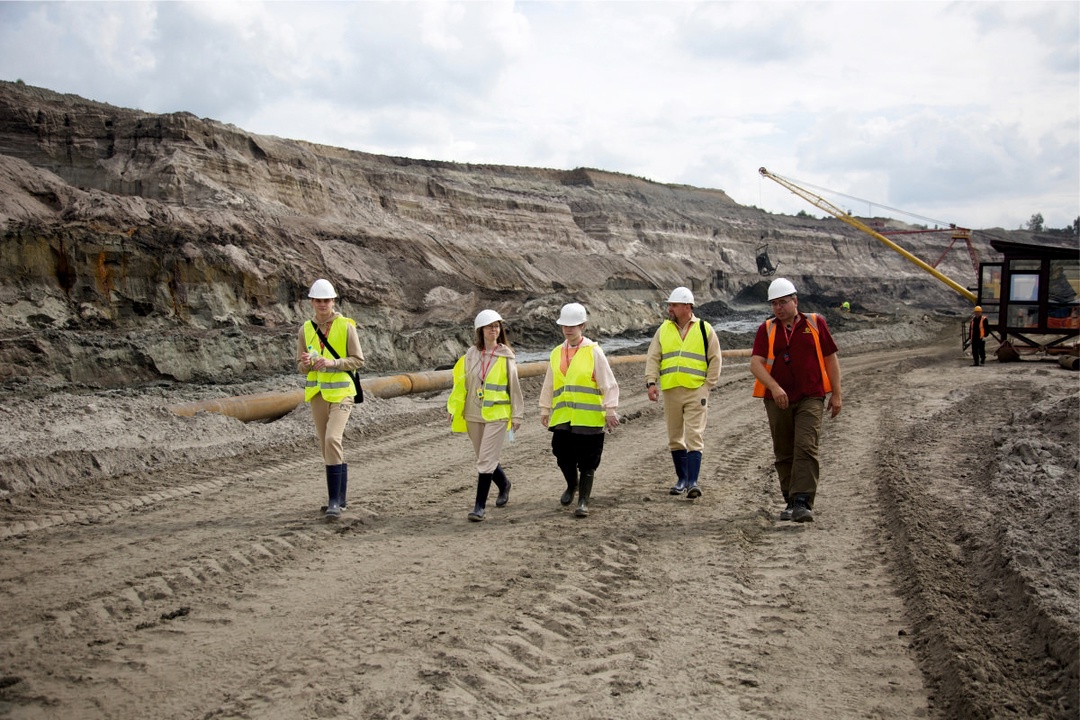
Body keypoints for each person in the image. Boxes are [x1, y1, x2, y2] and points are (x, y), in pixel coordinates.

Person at [750, 278, 842, 523]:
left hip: (811, 396)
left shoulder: (815, 323)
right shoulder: (767, 329)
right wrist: (774, 387)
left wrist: (837, 393)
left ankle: (803, 501)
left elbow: (831, 358)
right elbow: (755, 364)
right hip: (776, 400)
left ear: (795, 301)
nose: (778, 308)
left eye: (783, 302)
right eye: (774, 304)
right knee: (784, 451)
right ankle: (790, 500)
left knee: (805, 446)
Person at [538, 303, 620, 517]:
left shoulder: (594, 352)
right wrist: (544, 408)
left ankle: (583, 500)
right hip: (563, 415)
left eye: (573, 325)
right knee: (561, 452)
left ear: (582, 325)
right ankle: (571, 484)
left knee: (588, 459)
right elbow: (550, 382)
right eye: (565, 325)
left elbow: (608, 383)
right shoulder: (556, 352)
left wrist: (610, 409)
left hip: (588, 416)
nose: (568, 329)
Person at [644, 287, 722, 499]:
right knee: (675, 437)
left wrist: (708, 385)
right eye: (670, 305)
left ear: (687, 307)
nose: (670, 308)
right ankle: (682, 479)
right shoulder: (663, 329)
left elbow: (715, 358)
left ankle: (692, 482)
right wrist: (651, 382)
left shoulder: (705, 329)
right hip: (671, 391)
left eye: (674, 305)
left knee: (694, 435)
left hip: (696, 390)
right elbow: (653, 357)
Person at [296, 278, 365, 520]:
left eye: (327, 300)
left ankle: (334, 501)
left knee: (332, 438)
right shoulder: (305, 329)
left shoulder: (346, 326)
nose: (323, 304)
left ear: (333, 301)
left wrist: (333, 363)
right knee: (325, 445)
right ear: (312, 302)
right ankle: (341, 499)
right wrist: (305, 364)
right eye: (318, 300)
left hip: (343, 392)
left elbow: (358, 360)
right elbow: (300, 365)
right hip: (318, 394)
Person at [446, 310, 524, 522]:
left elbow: (514, 386)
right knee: (484, 458)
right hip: (473, 413)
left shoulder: (506, 356)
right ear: (480, 330)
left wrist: (517, 414)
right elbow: (460, 385)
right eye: (490, 326)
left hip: (497, 414)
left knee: (486, 460)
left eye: (497, 326)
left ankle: (479, 506)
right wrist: (453, 409)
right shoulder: (470, 355)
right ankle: (504, 484)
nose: (494, 329)